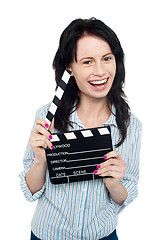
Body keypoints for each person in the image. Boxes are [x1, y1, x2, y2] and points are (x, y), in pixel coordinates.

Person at [19, 17, 142, 240]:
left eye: (107, 58)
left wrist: (114, 184)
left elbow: (126, 194)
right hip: (48, 234)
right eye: (87, 62)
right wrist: (39, 160)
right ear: (70, 68)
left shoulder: (131, 125)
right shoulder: (47, 118)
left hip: (102, 235)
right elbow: (31, 191)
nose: (100, 71)